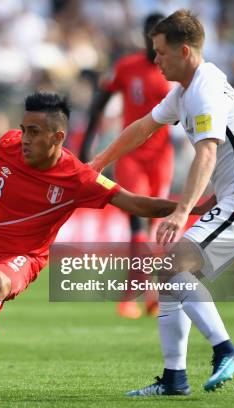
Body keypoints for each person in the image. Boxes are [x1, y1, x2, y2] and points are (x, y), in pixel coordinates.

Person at [0, 92, 196, 399]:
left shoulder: (79, 178)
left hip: (23, 255)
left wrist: (195, 205)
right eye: (23, 129)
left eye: (33, 132)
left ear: (58, 137)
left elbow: (138, 204)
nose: (24, 139)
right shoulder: (7, 145)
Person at [91, 10, 234, 396]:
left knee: (172, 266)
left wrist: (179, 211)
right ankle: (174, 379)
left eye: (160, 52)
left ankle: (227, 350)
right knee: (171, 277)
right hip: (232, 199)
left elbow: (206, 154)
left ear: (185, 51)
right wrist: (97, 163)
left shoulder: (205, 89)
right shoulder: (185, 91)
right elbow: (142, 128)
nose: (154, 59)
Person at [80, 12, 170, 319]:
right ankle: (133, 296)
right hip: (131, 155)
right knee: (137, 219)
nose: (152, 40)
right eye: (149, 34)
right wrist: (85, 146)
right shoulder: (126, 67)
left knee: (157, 224)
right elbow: (99, 103)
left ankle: (149, 295)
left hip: (162, 158)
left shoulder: (171, 70)